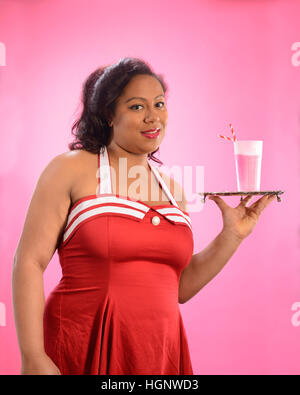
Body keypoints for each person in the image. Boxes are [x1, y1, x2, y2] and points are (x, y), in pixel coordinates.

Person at [12, 57, 277, 375]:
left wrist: (231, 236)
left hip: (157, 353)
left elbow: (177, 288)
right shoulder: (70, 168)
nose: (154, 117)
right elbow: (29, 262)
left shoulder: (174, 190)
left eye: (160, 104)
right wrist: (33, 356)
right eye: (137, 107)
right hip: (79, 345)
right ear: (110, 114)